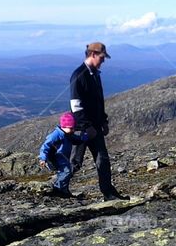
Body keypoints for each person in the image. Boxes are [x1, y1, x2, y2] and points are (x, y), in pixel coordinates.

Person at [69, 42, 128, 201]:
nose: (103, 60)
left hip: (95, 126)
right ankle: (58, 187)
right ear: (93, 54)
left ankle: (109, 193)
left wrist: (103, 121)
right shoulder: (79, 75)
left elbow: (98, 101)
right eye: (102, 57)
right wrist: (86, 126)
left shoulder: (95, 74)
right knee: (75, 162)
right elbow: (76, 104)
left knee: (103, 159)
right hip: (83, 129)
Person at [38, 112, 89, 198]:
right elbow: (45, 146)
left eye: (74, 128)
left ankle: (63, 189)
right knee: (66, 171)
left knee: (65, 172)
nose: (73, 130)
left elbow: (75, 139)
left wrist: (84, 138)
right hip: (56, 157)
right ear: (63, 126)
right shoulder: (56, 135)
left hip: (63, 157)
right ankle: (59, 189)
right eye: (71, 128)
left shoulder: (68, 134)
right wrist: (43, 158)